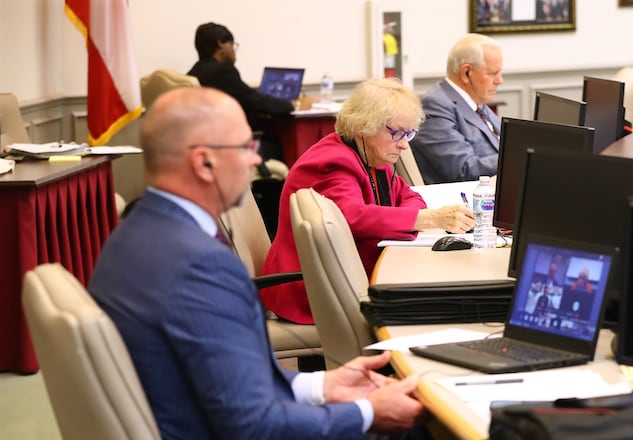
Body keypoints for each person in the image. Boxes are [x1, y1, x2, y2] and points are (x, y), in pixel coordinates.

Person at [88, 87, 426, 439]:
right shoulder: (200, 267)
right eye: (246, 148)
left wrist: (322, 385)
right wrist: (367, 412)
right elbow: (252, 424)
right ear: (204, 162)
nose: (255, 161)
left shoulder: (136, 235)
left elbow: (228, 378)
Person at [262, 78, 475, 325]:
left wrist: (408, 220)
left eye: (409, 134)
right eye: (397, 133)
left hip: (342, 275)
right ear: (363, 126)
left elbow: (409, 196)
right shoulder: (334, 163)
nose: (405, 145)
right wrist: (429, 218)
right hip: (314, 289)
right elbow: (352, 217)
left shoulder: (371, 156)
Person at [187, 22, 294, 161]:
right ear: (221, 44)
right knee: (280, 146)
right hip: (232, 147)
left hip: (209, 144)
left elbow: (243, 98)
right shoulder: (223, 71)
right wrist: (292, 104)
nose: (233, 51)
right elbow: (255, 101)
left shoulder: (194, 72)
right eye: (232, 45)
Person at [410, 33, 504, 184]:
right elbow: (464, 169)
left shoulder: (476, 100)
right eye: (493, 73)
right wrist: (514, 157)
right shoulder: (435, 105)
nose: (500, 80)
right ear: (466, 72)